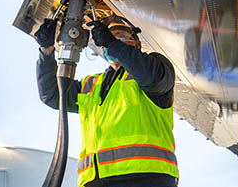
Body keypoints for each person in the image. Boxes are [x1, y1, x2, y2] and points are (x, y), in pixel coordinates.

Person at [35, 16, 179, 187]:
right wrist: (46, 50)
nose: (112, 40)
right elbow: (51, 94)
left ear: (137, 43)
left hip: (145, 178)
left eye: (120, 35)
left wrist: (113, 44)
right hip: (95, 180)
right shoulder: (92, 84)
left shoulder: (155, 68)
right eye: (108, 38)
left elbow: (151, 76)